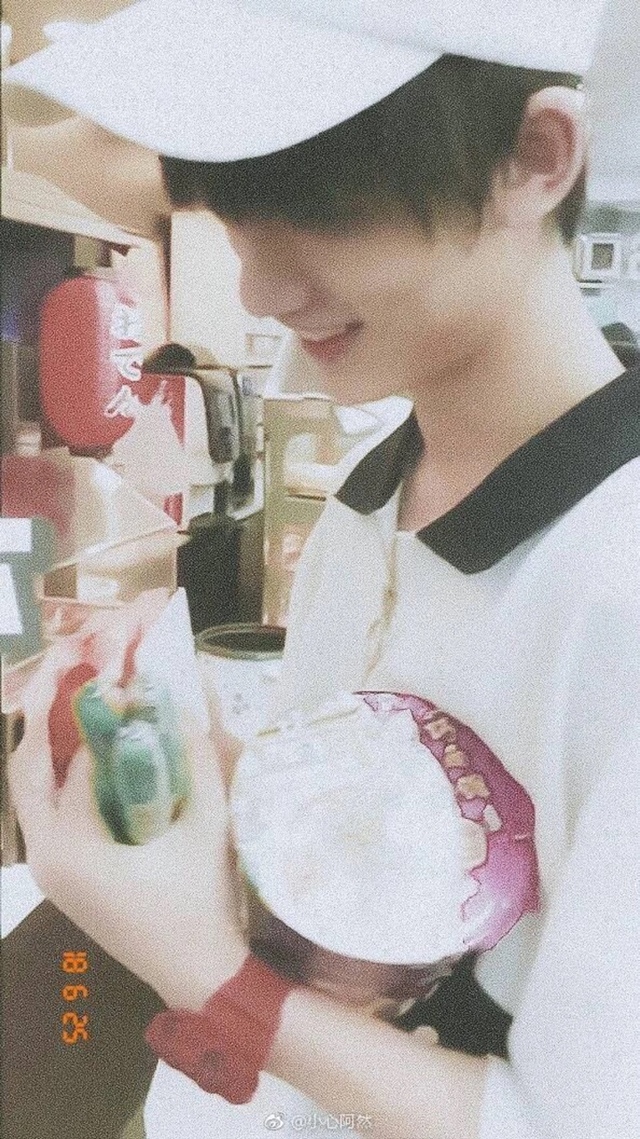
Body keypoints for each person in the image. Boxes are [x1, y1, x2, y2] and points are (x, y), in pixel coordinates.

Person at [5, 2, 640, 1137]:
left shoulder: (613, 582)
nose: (258, 288)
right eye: (236, 218)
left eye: (321, 208)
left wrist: (206, 972)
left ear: (537, 156)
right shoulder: (369, 498)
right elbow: (354, 826)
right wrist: (196, 770)